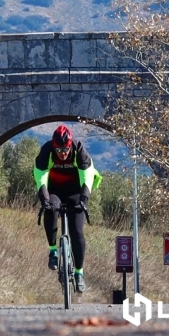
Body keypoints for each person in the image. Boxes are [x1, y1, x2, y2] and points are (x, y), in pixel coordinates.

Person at [32, 124, 101, 293]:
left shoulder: (79, 151)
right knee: (50, 208)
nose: (62, 153)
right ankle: (53, 251)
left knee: (77, 232)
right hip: (54, 190)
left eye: (65, 150)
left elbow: (87, 177)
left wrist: (83, 199)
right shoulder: (46, 151)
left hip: (75, 192)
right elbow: (40, 178)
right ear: (54, 146)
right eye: (59, 150)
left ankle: (79, 273)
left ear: (70, 146)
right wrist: (45, 199)